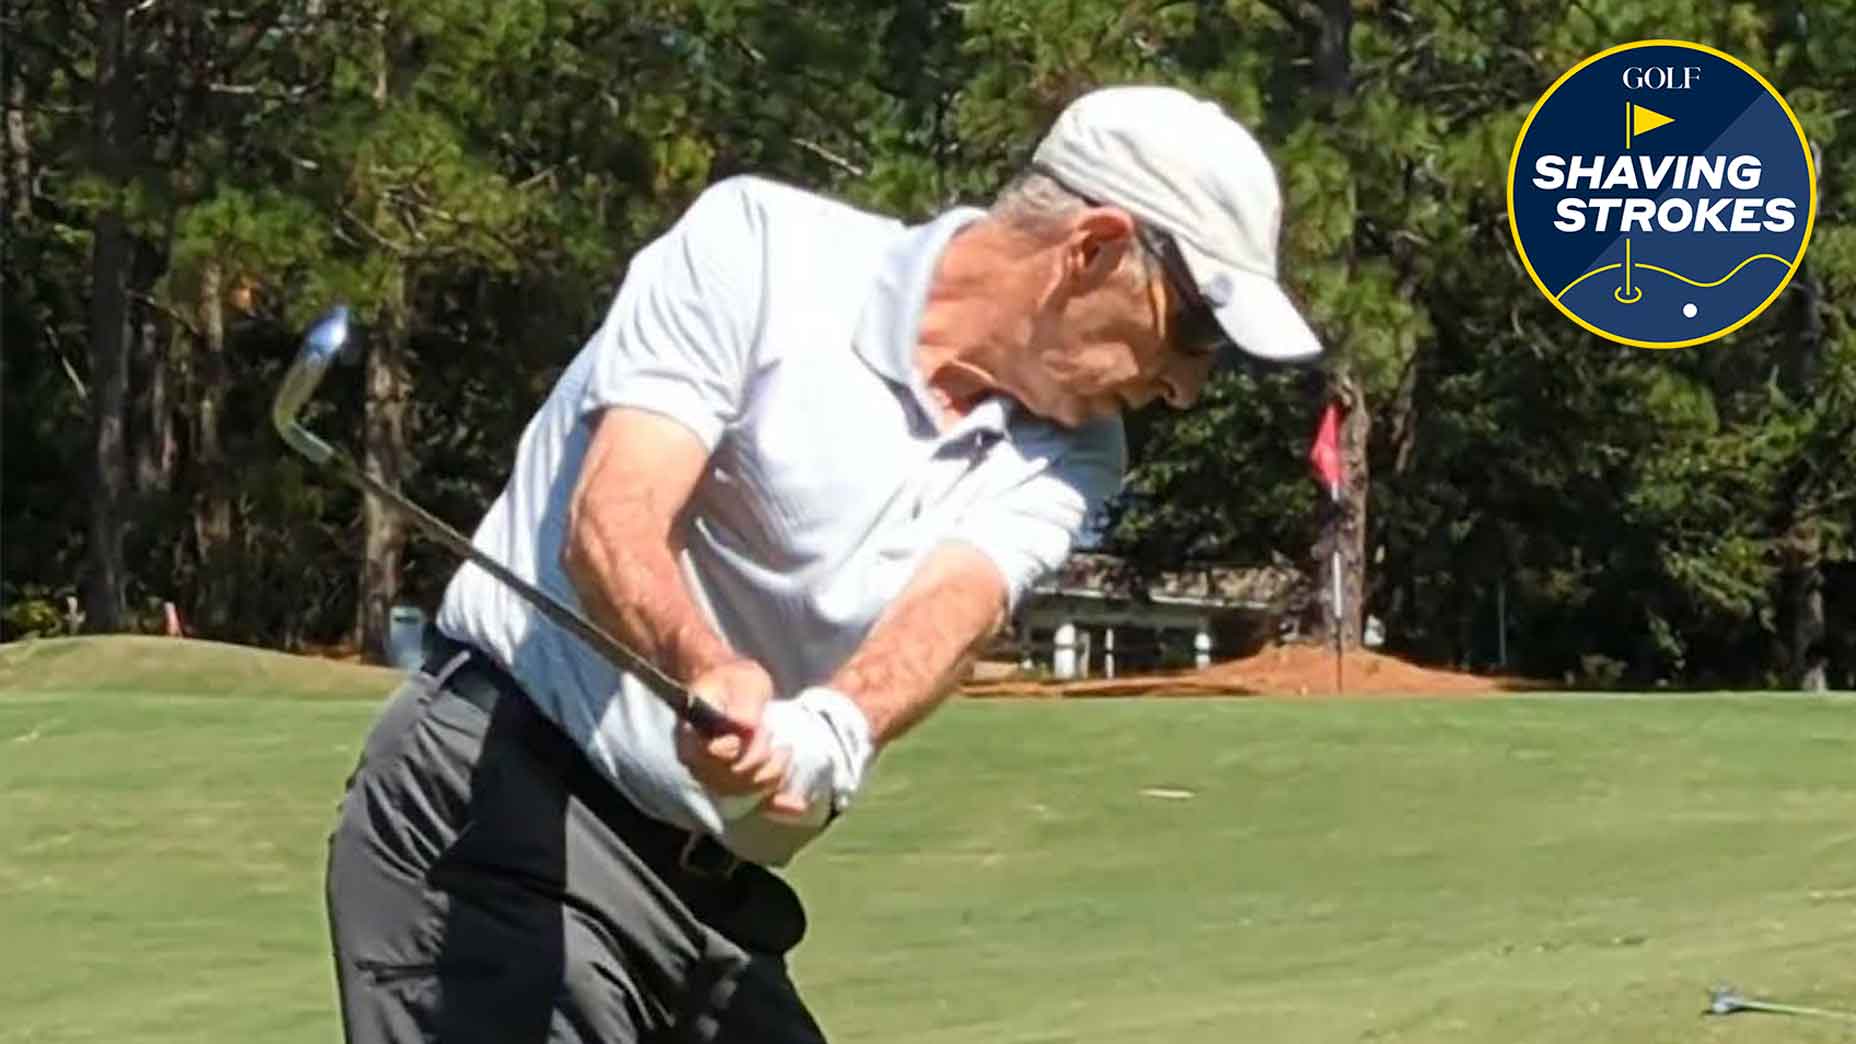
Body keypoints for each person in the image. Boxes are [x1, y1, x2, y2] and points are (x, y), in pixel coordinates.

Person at [323, 83, 1323, 1043]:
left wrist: (833, 728)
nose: (1188, 387)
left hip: (708, 903)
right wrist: (698, 659)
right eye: (1194, 329)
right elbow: (612, 514)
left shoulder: (1075, 449)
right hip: (502, 810)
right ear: (1094, 246)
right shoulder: (758, 251)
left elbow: (958, 598)